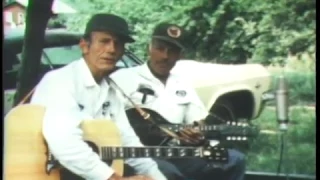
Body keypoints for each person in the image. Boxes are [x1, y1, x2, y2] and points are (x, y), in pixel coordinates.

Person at [30, 14, 167, 180]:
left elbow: (128, 143)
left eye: (118, 44)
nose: (111, 49)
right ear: (84, 46)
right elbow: (65, 144)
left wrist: (157, 177)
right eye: (104, 41)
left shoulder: (112, 91)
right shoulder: (60, 81)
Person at [111, 22, 246, 180]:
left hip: (177, 153)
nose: (165, 57)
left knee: (235, 159)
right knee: (168, 173)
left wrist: (197, 134)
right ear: (150, 48)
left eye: (172, 51)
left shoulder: (182, 84)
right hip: (137, 156)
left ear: (180, 55)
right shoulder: (122, 79)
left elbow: (198, 121)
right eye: (160, 48)